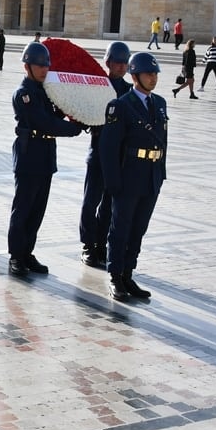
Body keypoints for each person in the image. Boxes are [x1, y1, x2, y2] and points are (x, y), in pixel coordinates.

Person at [6, 42, 84, 277]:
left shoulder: (45, 91)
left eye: (46, 66)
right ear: (27, 66)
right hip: (30, 156)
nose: (44, 70)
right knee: (23, 208)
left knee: (38, 209)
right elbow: (44, 122)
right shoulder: (24, 94)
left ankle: (27, 253)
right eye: (39, 66)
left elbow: (55, 114)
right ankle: (16, 256)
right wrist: (73, 128)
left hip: (45, 155)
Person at [100, 51, 168, 301]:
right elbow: (108, 148)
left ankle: (129, 274)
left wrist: (161, 173)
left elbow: (164, 141)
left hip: (151, 176)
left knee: (139, 228)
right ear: (135, 75)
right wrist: (113, 182)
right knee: (120, 228)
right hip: (128, 177)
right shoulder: (121, 105)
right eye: (149, 74)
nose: (153, 78)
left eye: (155, 73)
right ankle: (115, 276)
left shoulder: (159, 103)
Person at [79, 42, 133, 269]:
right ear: (108, 63)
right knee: (91, 202)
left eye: (124, 63)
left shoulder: (130, 91)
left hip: (119, 158)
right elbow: (85, 115)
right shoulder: (97, 86)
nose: (120, 67)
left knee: (110, 205)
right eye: (117, 62)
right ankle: (88, 245)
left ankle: (102, 244)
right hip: (99, 154)